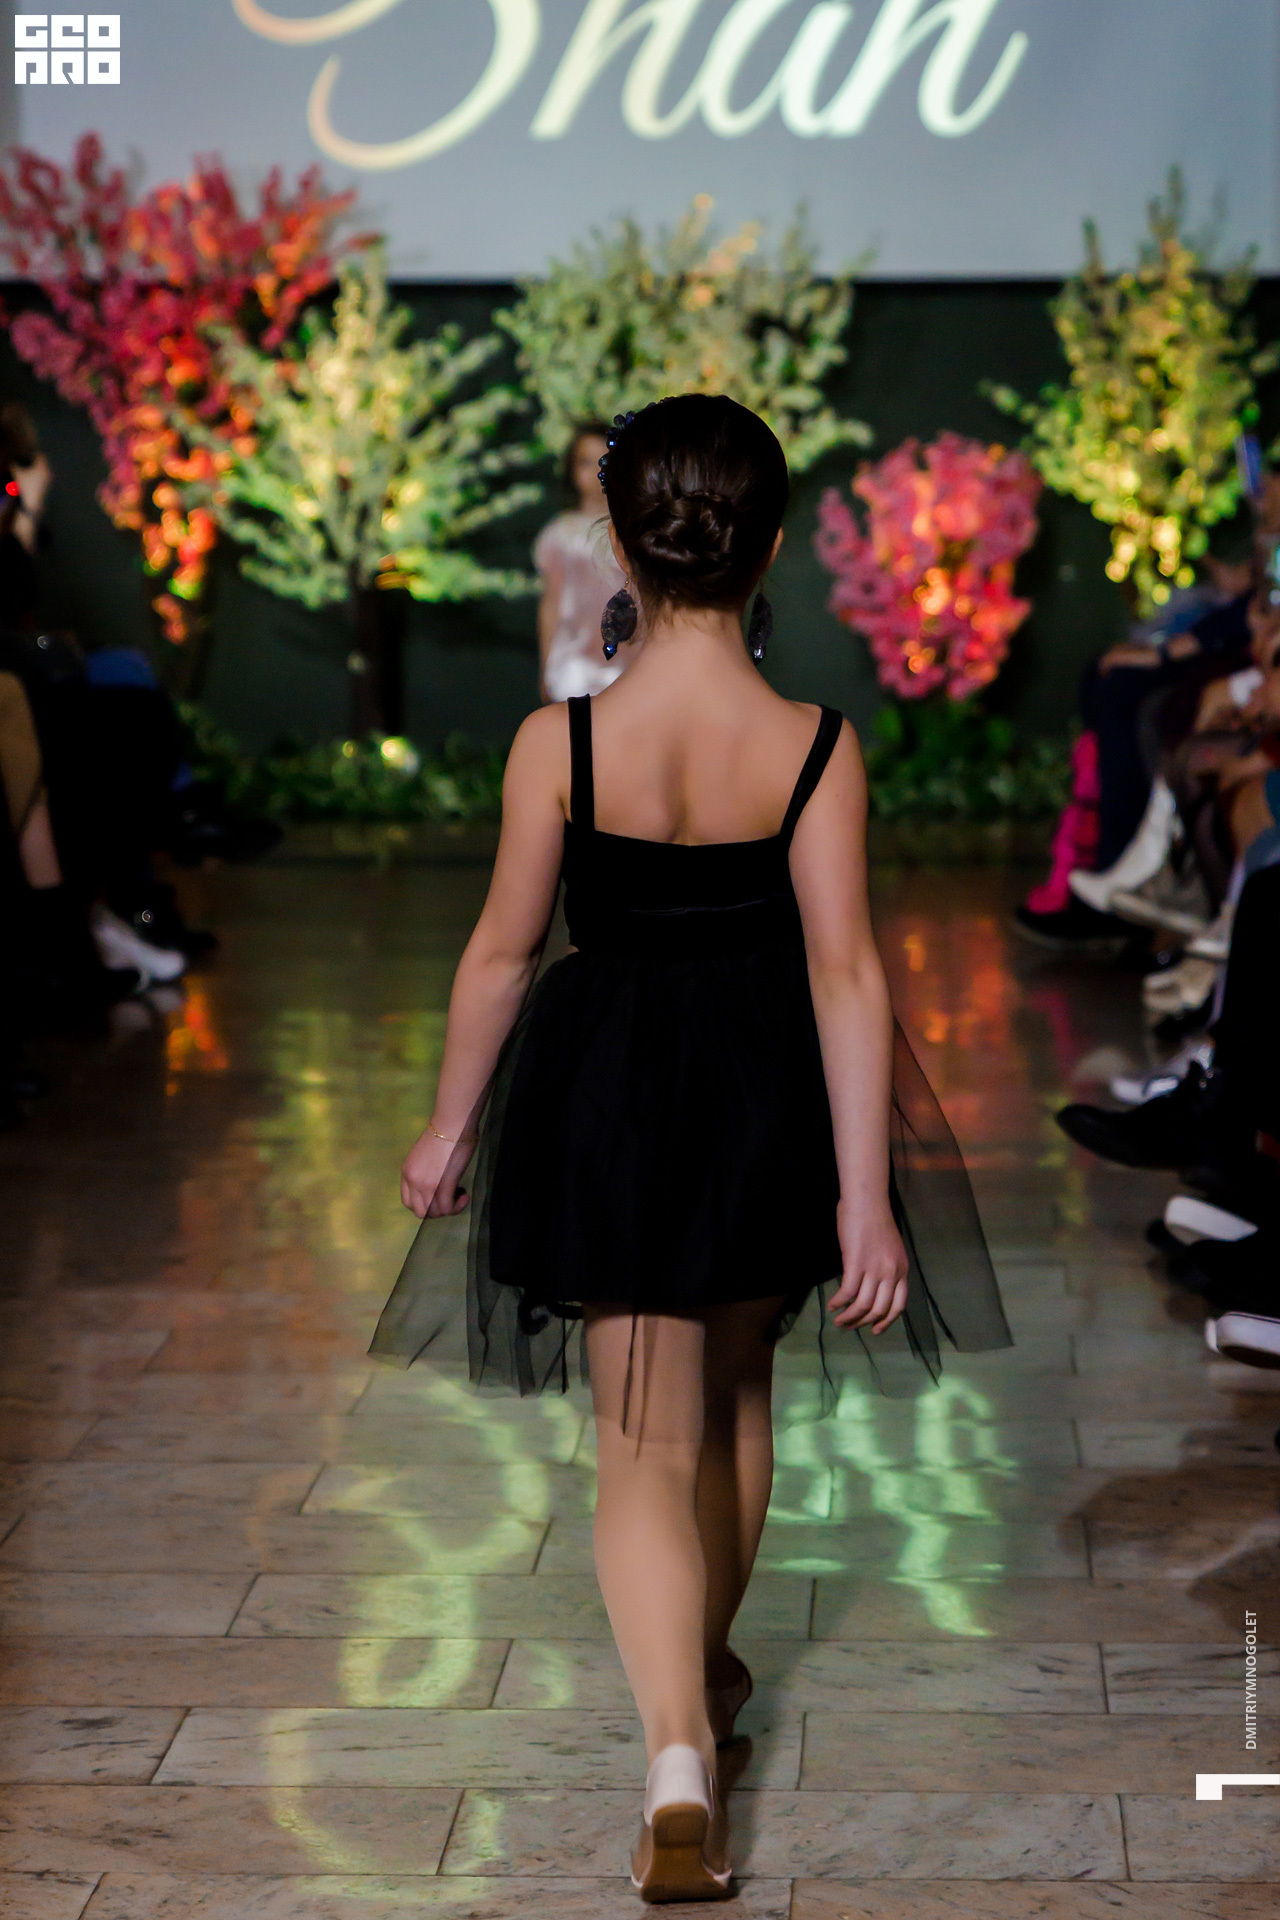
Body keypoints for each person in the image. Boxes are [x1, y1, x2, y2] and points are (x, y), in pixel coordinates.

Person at [373, 395, 1009, 1902]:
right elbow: (846, 975)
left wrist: (450, 1125)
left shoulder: (560, 742)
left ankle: (675, 1754)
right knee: (733, 1400)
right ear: (771, 546)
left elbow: (500, 954)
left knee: (641, 1438)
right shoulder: (815, 747)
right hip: (761, 1093)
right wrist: (865, 1197)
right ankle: (706, 1678)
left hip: (602, 1092)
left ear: (619, 541)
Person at [535, 423, 628, 702]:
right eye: (585, 462)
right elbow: (551, 603)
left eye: (604, 461)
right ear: (571, 470)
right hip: (574, 664)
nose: (597, 472)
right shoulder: (561, 533)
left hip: (627, 661)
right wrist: (545, 664)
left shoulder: (632, 533)